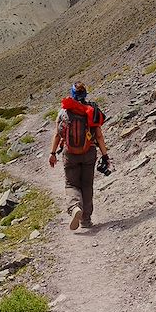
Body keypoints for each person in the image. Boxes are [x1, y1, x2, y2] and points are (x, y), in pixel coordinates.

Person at [49, 82, 109, 230]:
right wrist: (105, 156)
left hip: (70, 154)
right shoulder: (91, 111)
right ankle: (86, 220)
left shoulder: (63, 112)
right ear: (85, 94)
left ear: (72, 94)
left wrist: (52, 153)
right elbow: (99, 136)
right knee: (87, 185)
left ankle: (75, 207)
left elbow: (57, 134)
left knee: (71, 184)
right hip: (89, 152)